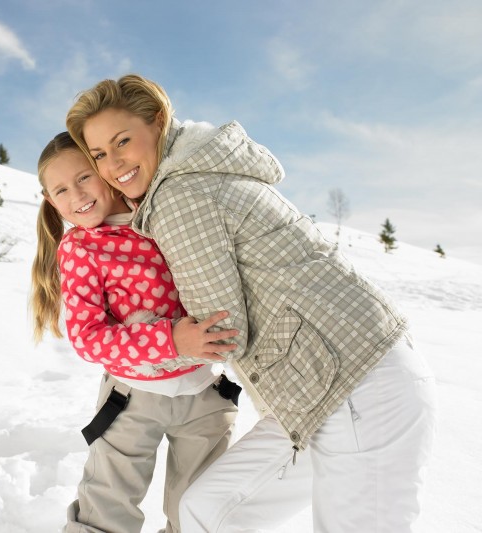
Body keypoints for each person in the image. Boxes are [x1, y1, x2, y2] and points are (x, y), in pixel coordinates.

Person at [66, 74, 438, 532]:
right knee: (206, 510)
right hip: (322, 391)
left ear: (158, 122)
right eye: (99, 154)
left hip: (358, 389)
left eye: (123, 141)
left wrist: (151, 336)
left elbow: (221, 331)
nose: (112, 163)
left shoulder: (179, 195)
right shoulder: (194, 173)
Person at [30, 131, 241, 533]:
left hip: (205, 392)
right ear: (50, 201)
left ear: (104, 172)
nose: (76, 195)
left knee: (199, 513)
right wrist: (172, 340)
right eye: (61, 190)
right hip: (134, 398)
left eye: (83, 178)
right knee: (107, 507)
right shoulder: (83, 247)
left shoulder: (161, 212)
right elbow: (89, 338)